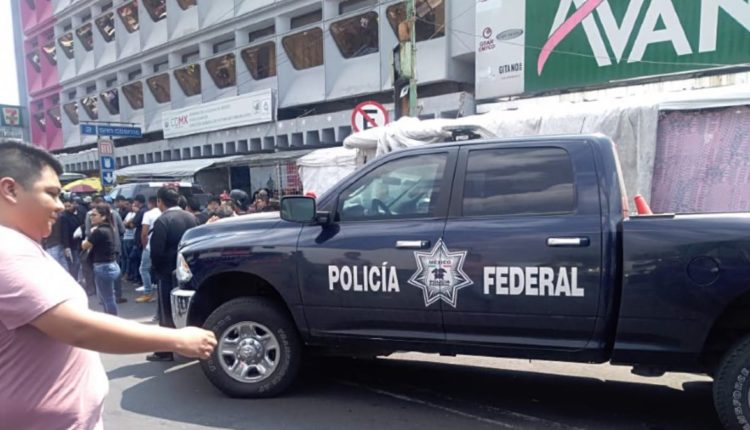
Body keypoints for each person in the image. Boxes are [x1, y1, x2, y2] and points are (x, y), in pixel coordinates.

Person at [0, 140, 216, 429]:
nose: (60, 205)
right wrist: (178, 339)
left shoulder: (20, 245)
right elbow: (77, 327)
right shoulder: (8, 250)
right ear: (10, 189)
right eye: (50, 193)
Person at [148, 187, 199, 362]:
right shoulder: (191, 217)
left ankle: (165, 351)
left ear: (159, 201)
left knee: (166, 312)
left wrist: (157, 270)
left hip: (167, 272)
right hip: (188, 270)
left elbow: (156, 251)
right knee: (189, 309)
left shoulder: (163, 220)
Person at [81, 204, 121, 316]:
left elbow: (85, 245)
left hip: (104, 266)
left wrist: (84, 240)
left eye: (94, 215)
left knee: (107, 298)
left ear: (103, 217)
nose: (91, 217)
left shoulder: (99, 231)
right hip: (109, 265)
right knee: (106, 297)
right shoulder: (109, 228)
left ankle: (113, 322)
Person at [136, 196, 160, 303]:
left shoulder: (148, 214)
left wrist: (144, 245)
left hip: (150, 246)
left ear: (150, 203)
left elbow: (144, 233)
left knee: (144, 269)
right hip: (161, 246)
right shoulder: (163, 213)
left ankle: (148, 293)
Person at [59, 197, 82, 281]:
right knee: (73, 263)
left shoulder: (75, 215)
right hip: (70, 244)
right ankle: (74, 279)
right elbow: (64, 232)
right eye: (66, 206)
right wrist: (66, 246)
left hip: (76, 242)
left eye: (69, 206)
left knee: (76, 263)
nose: (68, 208)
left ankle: (75, 278)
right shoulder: (64, 217)